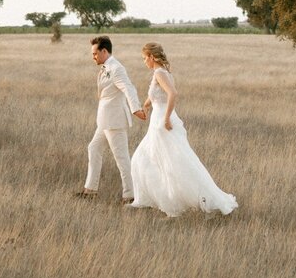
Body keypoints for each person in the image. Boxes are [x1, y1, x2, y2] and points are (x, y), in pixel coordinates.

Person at [129, 42, 237, 217]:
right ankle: (146, 200)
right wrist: (146, 106)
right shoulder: (162, 72)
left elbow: (172, 94)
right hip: (157, 120)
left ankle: (174, 205)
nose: (144, 62)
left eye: (144, 58)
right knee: (145, 160)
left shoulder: (159, 73)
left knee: (170, 163)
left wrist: (166, 119)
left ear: (151, 57)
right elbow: (157, 96)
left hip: (162, 123)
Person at [77, 36, 146, 204]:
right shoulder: (106, 67)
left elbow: (128, 88)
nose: (93, 57)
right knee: (93, 148)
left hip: (114, 121)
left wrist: (135, 108)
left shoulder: (116, 68)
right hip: (105, 120)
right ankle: (90, 190)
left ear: (104, 51)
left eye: (95, 53)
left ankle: (130, 196)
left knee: (122, 159)